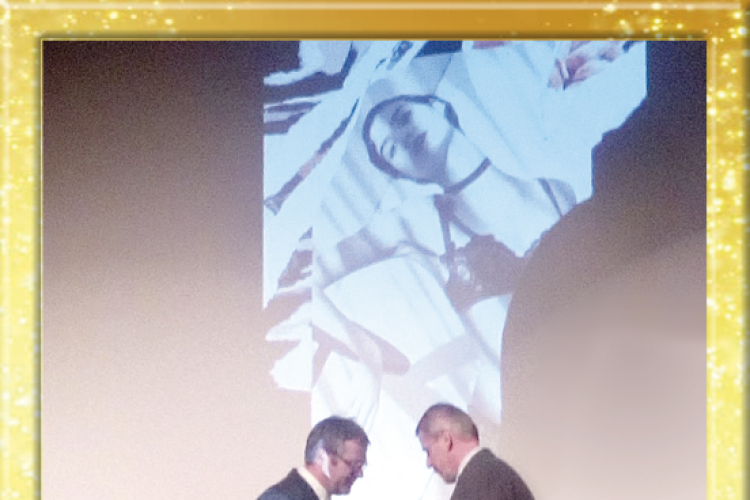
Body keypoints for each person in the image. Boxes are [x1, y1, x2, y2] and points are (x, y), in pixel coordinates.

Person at [416, 404, 534, 500]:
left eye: (428, 451)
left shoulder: (478, 483)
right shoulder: (495, 473)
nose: (429, 463)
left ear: (446, 440)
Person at [258, 416, 370, 500]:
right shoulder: (281, 497)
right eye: (354, 465)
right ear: (322, 457)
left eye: (361, 466)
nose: (360, 473)